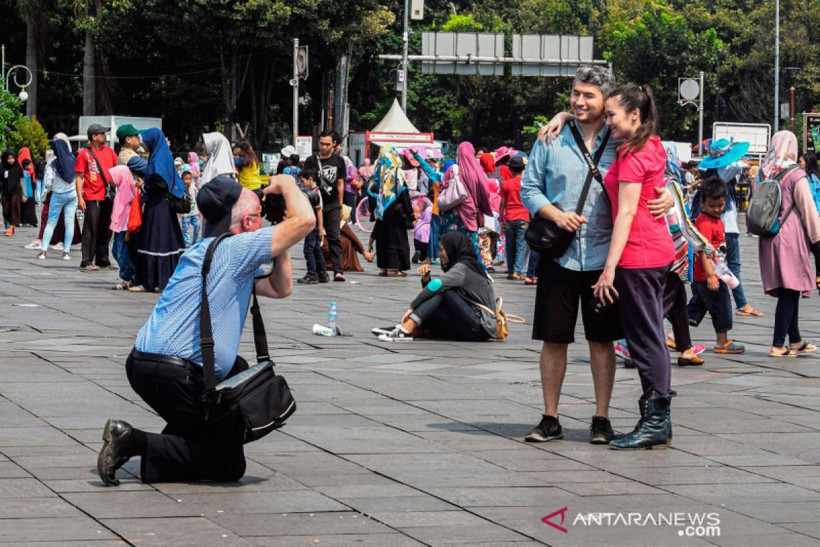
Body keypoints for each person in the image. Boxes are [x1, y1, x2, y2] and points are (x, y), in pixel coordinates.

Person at [95, 174, 315, 485]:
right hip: (177, 375)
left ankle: (149, 452)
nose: (262, 222)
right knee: (228, 463)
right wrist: (287, 184)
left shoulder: (211, 250)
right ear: (247, 223)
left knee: (218, 429)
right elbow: (305, 220)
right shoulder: (233, 250)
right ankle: (131, 441)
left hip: (151, 366)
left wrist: (281, 236)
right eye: (257, 216)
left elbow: (280, 287)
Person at [523, 67, 675, 446]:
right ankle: (550, 417)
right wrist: (555, 213)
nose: (578, 101)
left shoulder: (620, 137)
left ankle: (601, 419)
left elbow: (659, 175)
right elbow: (529, 188)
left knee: (601, 341)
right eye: (575, 94)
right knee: (553, 339)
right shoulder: (551, 137)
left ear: (605, 102)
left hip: (605, 256)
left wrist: (671, 195)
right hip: (560, 255)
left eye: (589, 96)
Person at [592, 84, 675, 450]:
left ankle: (656, 418)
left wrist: (610, 267)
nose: (606, 121)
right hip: (655, 252)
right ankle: (658, 419)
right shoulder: (651, 144)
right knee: (651, 335)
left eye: (611, 115)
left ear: (634, 116)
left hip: (638, 254)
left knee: (645, 340)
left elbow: (625, 212)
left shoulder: (633, 154)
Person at [756, 131, 820, 358]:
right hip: (790, 238)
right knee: (790, 290)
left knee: (789, 289)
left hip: (769, 237)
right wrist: (817, 239)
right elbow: (808, 210)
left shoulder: (765, 171)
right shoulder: (795, 173)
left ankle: (795, 339)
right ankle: (777, 344)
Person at [373, 232, 497, 342]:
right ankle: (409, 329)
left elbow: (437, 286)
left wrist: (412, 307)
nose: (439, 254)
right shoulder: (464, 266)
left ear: (452, 249)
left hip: (481, 327)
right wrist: (426, 279)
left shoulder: (462, 268)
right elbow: (434, 296)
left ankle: (406, 329)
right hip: (470, 324)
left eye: (442, 250)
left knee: (442, 291)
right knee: (438, 296)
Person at [698, 139, 763, 317]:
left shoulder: (712, 171)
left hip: (720, 226)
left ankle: (739, 303)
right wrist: (741, 159)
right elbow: (741, 164)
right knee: (731, 266)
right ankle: (741, 303)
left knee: (720, 267)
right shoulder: (725, 170)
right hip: (727, 228)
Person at [686, 177, 745, 355]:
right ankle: (722, 341)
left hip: (708, 274)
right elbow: (704, 251)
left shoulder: (715, 219)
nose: (717, 209)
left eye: (720, 205)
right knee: (721, 306)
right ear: (702, 202)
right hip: (708, 275)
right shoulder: (704, 222)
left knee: (697, 308)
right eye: (712, 206)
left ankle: (675, 334)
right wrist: (711, 276)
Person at [136, 128, 186, 292]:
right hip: (165, 207)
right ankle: (165, 277)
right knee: (166, 239)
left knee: (155, 239)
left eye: (145, 141)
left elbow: (160, 184)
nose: (143, 144)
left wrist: (144, 187)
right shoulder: (163, 156)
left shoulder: (157, 159)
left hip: (158, 207)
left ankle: (152, 279)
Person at [303, 130, 347, 281]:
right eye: (321, 143)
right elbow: (305, 182)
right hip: (314, 205)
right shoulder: (311, 160)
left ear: (334, 144)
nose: (324, 147)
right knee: (313, 238)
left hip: (333, 204)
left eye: (327, 144)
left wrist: (340, 205)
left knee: (334, 237)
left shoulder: (339, 161)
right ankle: (317, 271)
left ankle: (338, 271)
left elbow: (341, 184)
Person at [440, 142, 493, 265]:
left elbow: (443, 187)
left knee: (451, 244)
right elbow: (485, 191)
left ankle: (453, 269)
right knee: (471, 244)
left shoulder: (452, 169)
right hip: (471, 213)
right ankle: (477, 270)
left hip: (452, 212)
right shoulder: (477, 171)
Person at [75, 123, 118, 271]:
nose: (105, 136)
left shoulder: (110, 152)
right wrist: (80, 197)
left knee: (106, 228)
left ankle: (103, 259)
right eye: (102, 133)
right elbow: (79, 177)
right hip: (91, 195)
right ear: (94, 136)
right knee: (91, 227)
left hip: (107, 195)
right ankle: (86, 260)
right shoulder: (84, 154)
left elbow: (115, 172)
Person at [366, 147, 414, 277]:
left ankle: (384, 267)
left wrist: (372, 210)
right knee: (396, 237)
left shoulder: (379, 172)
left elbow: (371, 191)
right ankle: (394, 268)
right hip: (396, 212)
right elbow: (403, 193)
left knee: (383, 237)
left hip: (382, 210)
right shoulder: (396, 172)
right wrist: (410, 213)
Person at [37, 134, 78, 261]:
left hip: (57, 195)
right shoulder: (73, 160)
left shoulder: (52, 165)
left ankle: (43, 251)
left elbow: (48, 183)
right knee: (69, 223)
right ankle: (66, 252)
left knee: (51, 222)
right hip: (72, 195)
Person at [108, 166, 139, 289]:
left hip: (124, 229)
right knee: (116, 252)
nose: (110, 179)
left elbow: (128, 214)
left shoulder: (127, 192)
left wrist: (128, 232)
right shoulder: (121, 190)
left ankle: (126, 279)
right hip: (119, 228)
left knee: (121, 253)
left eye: (113, 176)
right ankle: (130, 276)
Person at [296, 167, 328, 284]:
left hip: (313, 226)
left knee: (308, 250)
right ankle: (322, 273)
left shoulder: (314, 193)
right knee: (316, 249)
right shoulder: (315, 191)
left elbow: (319, 211)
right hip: (313, 225)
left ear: (310, 179)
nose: (302, 184)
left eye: (303, 181)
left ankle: (312, 274)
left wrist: (320, 228)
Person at [499, 155, 529, 280]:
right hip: (523, 217)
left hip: (510, 217)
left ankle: (511, 270)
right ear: (523, 169)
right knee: (521, 245)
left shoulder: (506, 184)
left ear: (510, 169)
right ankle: (517, 271)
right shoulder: (526, 183)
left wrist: (501, 217)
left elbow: (502, 203)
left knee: (510, 245)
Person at [1, 150, 23, 236]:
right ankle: (11, 225)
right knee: (5, 210)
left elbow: (22, 180)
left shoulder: (18, 168)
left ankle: (11, 226)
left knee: (13, 209)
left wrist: (24, 194)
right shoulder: (3, 168)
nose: (11, 160)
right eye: (9, 158)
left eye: (12, 158)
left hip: (15, 191)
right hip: (5, 192)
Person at [18, 149, 38, 227]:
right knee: (29, 206)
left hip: (25, 190)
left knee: (23, 206)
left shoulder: (19, 162)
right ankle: (30, 220)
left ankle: (23, 220)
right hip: (28, 190)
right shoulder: (29, 164)